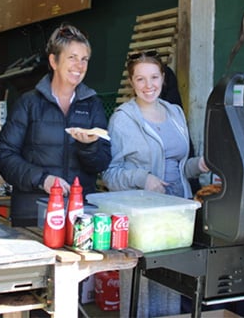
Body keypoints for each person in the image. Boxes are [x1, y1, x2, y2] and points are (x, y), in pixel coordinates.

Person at [102, 50, 209, 317]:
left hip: (178, 214)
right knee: (143, 291)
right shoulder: (123, 119)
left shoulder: (174, 113)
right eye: (140, 79)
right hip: (143, 219)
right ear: (131, 82)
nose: (148, 86)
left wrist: (200, 165)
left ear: (163, 77)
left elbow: (179, 165)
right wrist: (143, 178)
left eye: (153, 77)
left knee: (172, 287)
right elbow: (109, 173)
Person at [0, 23, 111, 227]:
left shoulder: (93, 105)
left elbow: (102, 163)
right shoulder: (29, 103)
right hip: (33, 213)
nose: (79, 66)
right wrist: (43, 179)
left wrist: (89, 146)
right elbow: (4, 155)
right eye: (72, 57)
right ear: (54, 61)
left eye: (84, 59)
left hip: (79, 217)